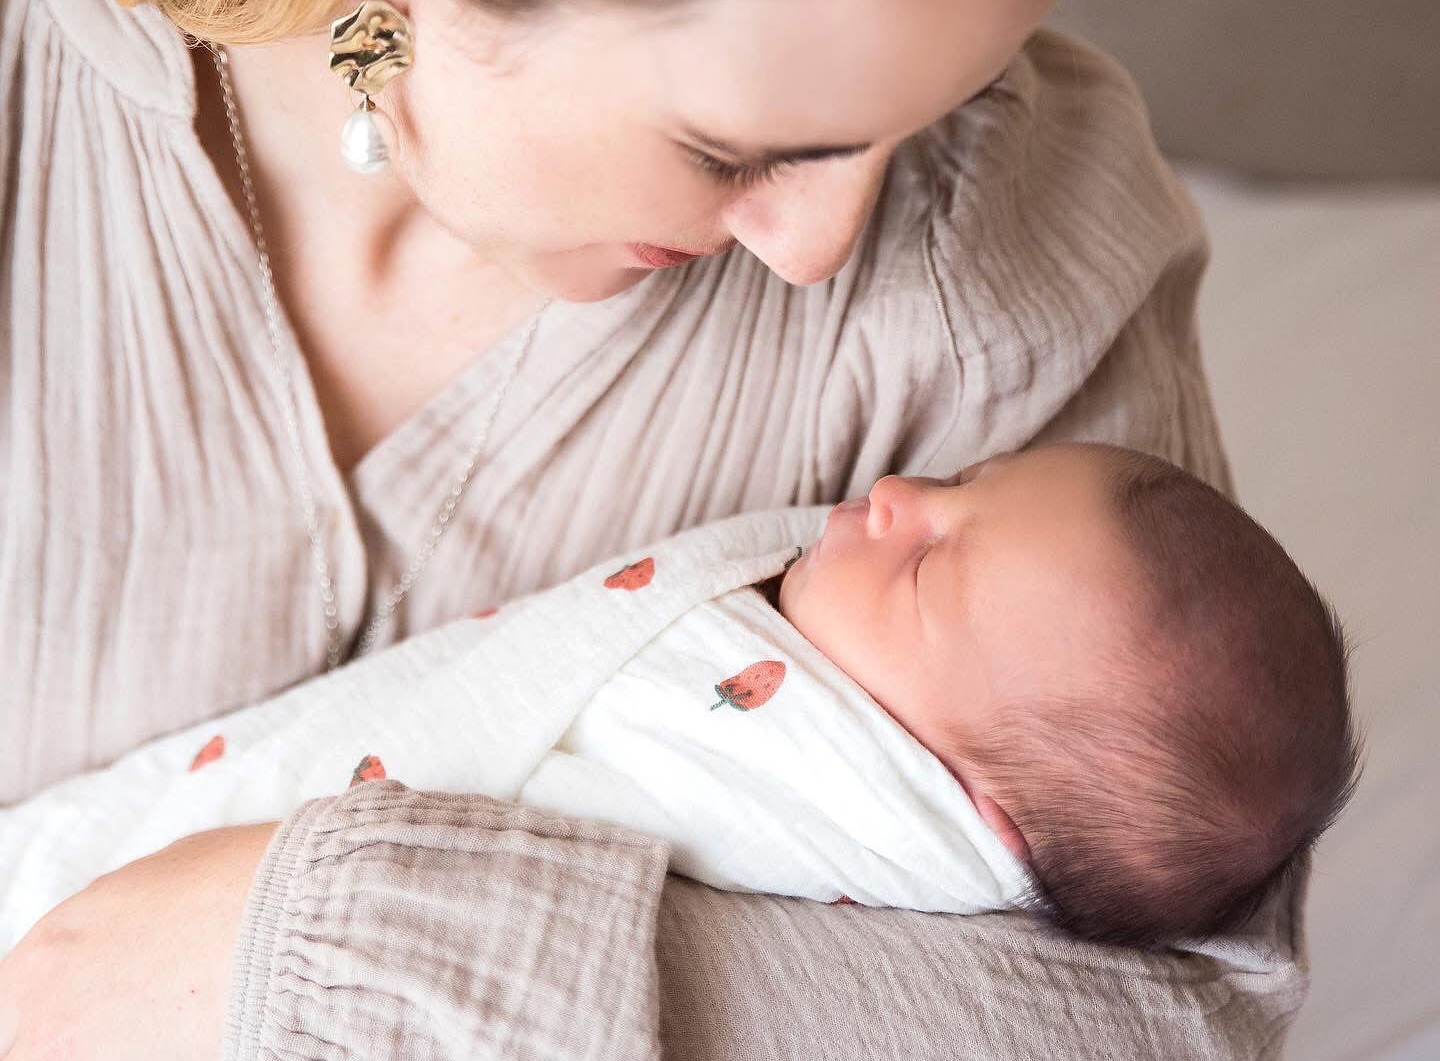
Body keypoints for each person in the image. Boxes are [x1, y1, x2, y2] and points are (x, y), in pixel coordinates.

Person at [0, 0, 1310, 1056]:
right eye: (733, 147)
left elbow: (1167, 1007)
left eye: (934, 98)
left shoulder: (1000, 260)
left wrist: (332, 949)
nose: (819, 250)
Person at [0, 443, 1360, 958]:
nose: (895, 500)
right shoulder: (875, 644)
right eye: (969, 476)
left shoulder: (814, 809)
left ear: (973, 810)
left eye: (936, 562)